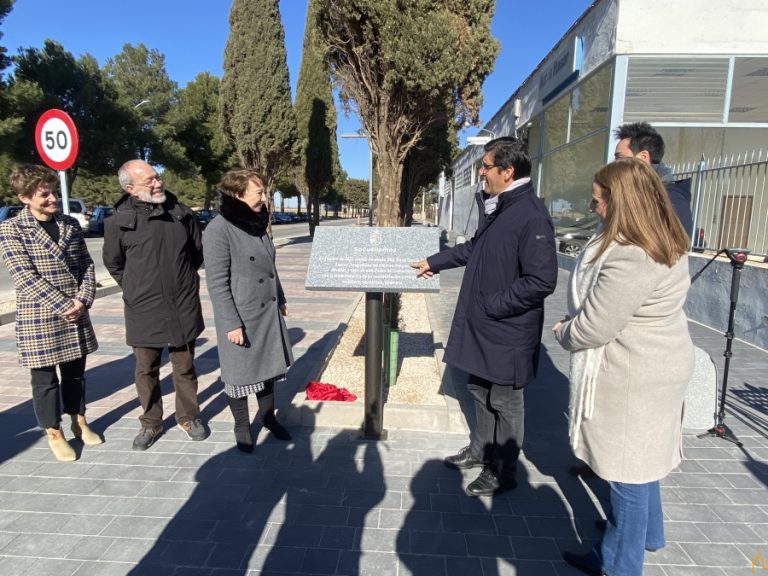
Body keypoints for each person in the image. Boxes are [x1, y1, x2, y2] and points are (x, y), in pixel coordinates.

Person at [552, 158, 694, 576]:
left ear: (623, 203)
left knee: (626, 471)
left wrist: (562, 331)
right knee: (644, 459)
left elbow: (595, 326)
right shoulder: (663, 238)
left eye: (598, 201)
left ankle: (618, 564)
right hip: (658, 364)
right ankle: (648, 534)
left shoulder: (632, 255)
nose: (593, 208)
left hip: (635, 373)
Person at [412, 137, 558, 496]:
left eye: (487, 166)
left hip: (507, 330)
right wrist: (434, 262)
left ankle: (502, 470)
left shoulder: (531, 215)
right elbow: (477, 246)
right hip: (487, 327)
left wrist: (493, 305)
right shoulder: (502, 207)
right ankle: (480, 450)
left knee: (505, 401)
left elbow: (542, 280)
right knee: (478, 389)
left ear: (507, 172)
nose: (481, 172)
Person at [103, 160, 207, 450]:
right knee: (145, 370)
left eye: (157, 176)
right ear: (131, 189)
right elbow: (114, 264)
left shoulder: (182, 214)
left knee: (184, 367)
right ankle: (151, 422)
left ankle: (189, 417)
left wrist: (182, 283)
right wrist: (138, 289)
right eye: (149, 180)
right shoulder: (117, 222)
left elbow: (196, 255)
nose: (157, 182)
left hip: (182, 304)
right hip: (143, 308)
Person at [0, 164, 101, 461]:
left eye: (54, 192)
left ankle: (78, 418)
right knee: (45, 381)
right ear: (24, 197)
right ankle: (53, 431)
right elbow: (24, 276)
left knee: (75, 375)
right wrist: (63, 305)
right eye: (44, 194)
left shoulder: (69, 223)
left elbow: (86, 266)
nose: (53, 198)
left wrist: (82, 300)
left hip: (75, 312)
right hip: (40, 316)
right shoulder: (11, 229)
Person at [203, 169, 293, 452]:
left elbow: (270, 267)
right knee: (239, 375)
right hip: (240, 314)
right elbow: (216, 283)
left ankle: (267, 418)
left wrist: (280, 297)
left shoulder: (257, 222)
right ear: (238, 195)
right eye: (260, 192)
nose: (265, 197)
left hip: (266, 311)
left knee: (267, 369)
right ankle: (241, 425)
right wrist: (231, 323)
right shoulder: (218, 229)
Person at [613, 121, 693, 237]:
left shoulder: (671, 199)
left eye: (620, 158)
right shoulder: (631, 192)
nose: (615, 164)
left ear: (643, 157)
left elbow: (675, 248)